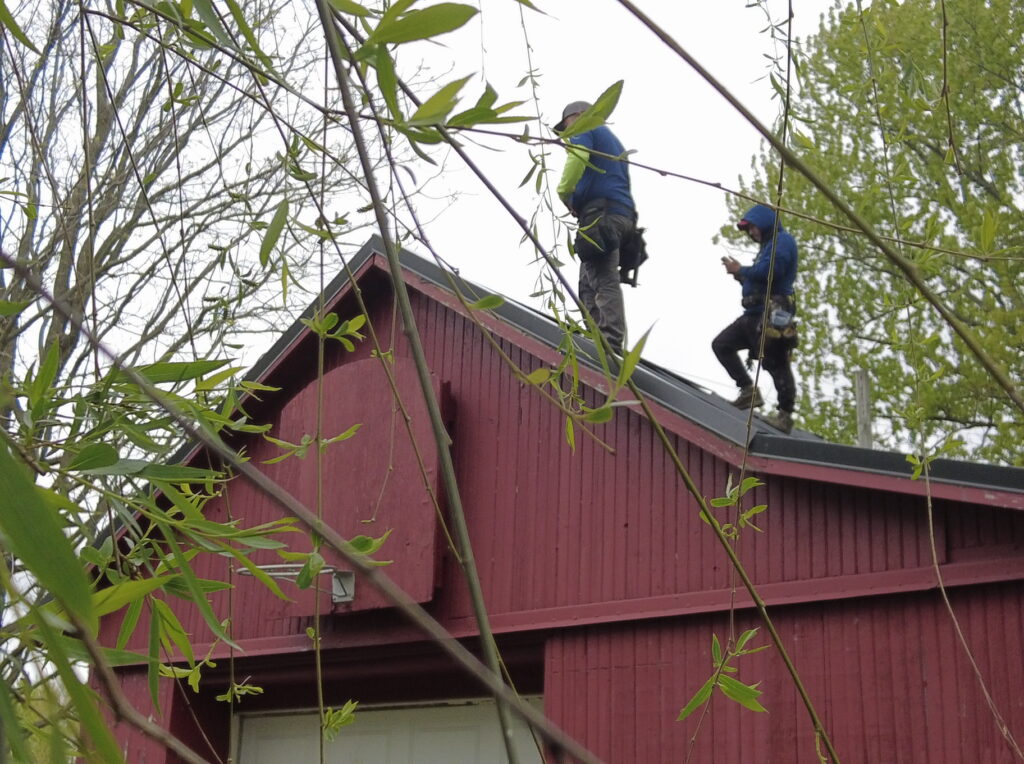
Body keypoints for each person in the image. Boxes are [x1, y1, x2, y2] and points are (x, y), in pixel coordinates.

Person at [554, 100, 636, 352]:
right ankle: (595, 336)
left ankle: (609, 341)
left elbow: (578, 158)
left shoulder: (585, 127)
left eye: (566, 126)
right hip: (620, 215)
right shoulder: (611, 142)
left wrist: (565, 192)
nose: (566, 135)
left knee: (601, 278)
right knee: (589, 281)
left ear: (578, 116)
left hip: (603, 214)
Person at [712, 203, 799, 433]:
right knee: (722, 344)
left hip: (771, 313)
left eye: (752, 227)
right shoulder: (768, 247)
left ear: (764, 222)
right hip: (753, 314)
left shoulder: (782, 241)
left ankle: (785, 415)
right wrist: (741, 275)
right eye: (748, 229)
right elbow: (760, 277)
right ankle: (748, 390)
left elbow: (771, 272)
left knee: (775, 361)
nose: (752, 233)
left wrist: (742, 270)